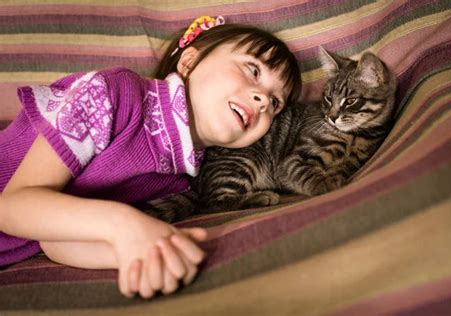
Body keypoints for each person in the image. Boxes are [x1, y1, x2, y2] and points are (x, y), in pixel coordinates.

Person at [0, 16, 302, 299]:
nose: (263, 101)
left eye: (275, 103)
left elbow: (56, 241)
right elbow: (12, 206)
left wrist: (154, 255)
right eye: (253, 70)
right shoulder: (114, 94)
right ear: (190, 61)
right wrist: (125, 225)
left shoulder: (178, 183)